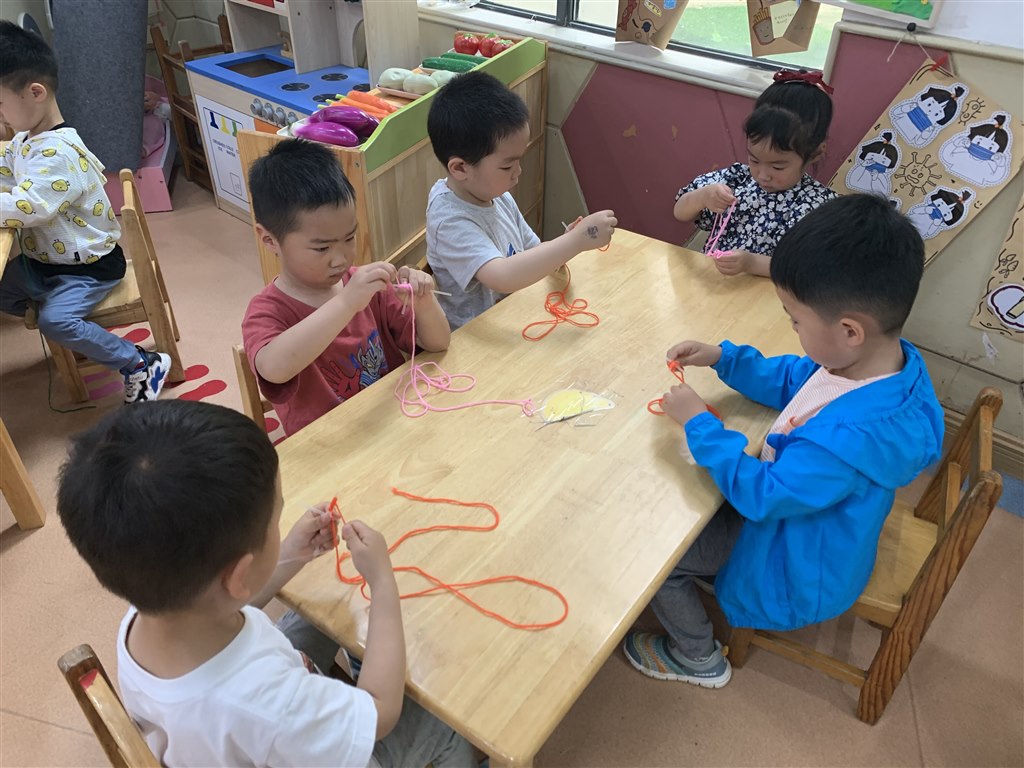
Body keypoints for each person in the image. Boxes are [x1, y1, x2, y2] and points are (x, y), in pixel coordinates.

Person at [624, 194, 944, 688]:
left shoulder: (842, 442)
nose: (792, 329)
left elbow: (763, 495)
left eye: (795, 319)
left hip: (797, 556)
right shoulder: (882, 365)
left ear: (850, 330)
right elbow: (798, 378)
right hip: (813, 521)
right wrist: (724, 358)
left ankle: (698, 658)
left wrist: (699, 424)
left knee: (657, 563)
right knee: (696, 501)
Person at [56, 400, 476, 766]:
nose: (278, 526)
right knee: (448, 727)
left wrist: (289, 552)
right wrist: (383, 585)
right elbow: (381, 712)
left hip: (227, 732)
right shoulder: (272, 706)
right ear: (239, 575)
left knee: (324, 609)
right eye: (275, 520)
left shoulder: (148, 605)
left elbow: (227, 603)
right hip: (291, 732)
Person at [0, 20, 170, 403]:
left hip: (88, 269)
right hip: (48, 263)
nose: (0, 117)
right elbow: (7, 166)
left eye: (0, 105)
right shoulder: (26, 139)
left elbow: (29, 206)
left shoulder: (57, 154)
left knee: (55, 322)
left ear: (35, 92)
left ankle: (140, 363)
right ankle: (69, 324)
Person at [242, 139, 450, 436]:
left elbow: (439, 343)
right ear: (269, 240)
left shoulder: (368, 288)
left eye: (349, 238)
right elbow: (274, 368)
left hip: (393, 422)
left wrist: (425, 303)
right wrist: (346, 303)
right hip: (329, 444)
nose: (340, 258)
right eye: (322, 248)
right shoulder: (267, 311)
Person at [425, 71, 616, 331]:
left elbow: (530, 253)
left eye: (519, 161)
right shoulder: (449, 220)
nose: (518, 172)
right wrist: (576, 240)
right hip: (476, 339)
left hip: (516, 317)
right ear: (460, 168)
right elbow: (502, 276)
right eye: (507, 166)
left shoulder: (496, 195)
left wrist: (565, 243)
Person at [674, 68, 838, 278]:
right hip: (714, 285)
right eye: (754, 160)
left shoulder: (817, 207)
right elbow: (680, 211)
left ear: (815, 153)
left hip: (765, 295)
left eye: (777, 167)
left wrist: (751, 264)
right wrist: (702, 197)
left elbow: (808, 269)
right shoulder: (736, 179)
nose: (762, 175)